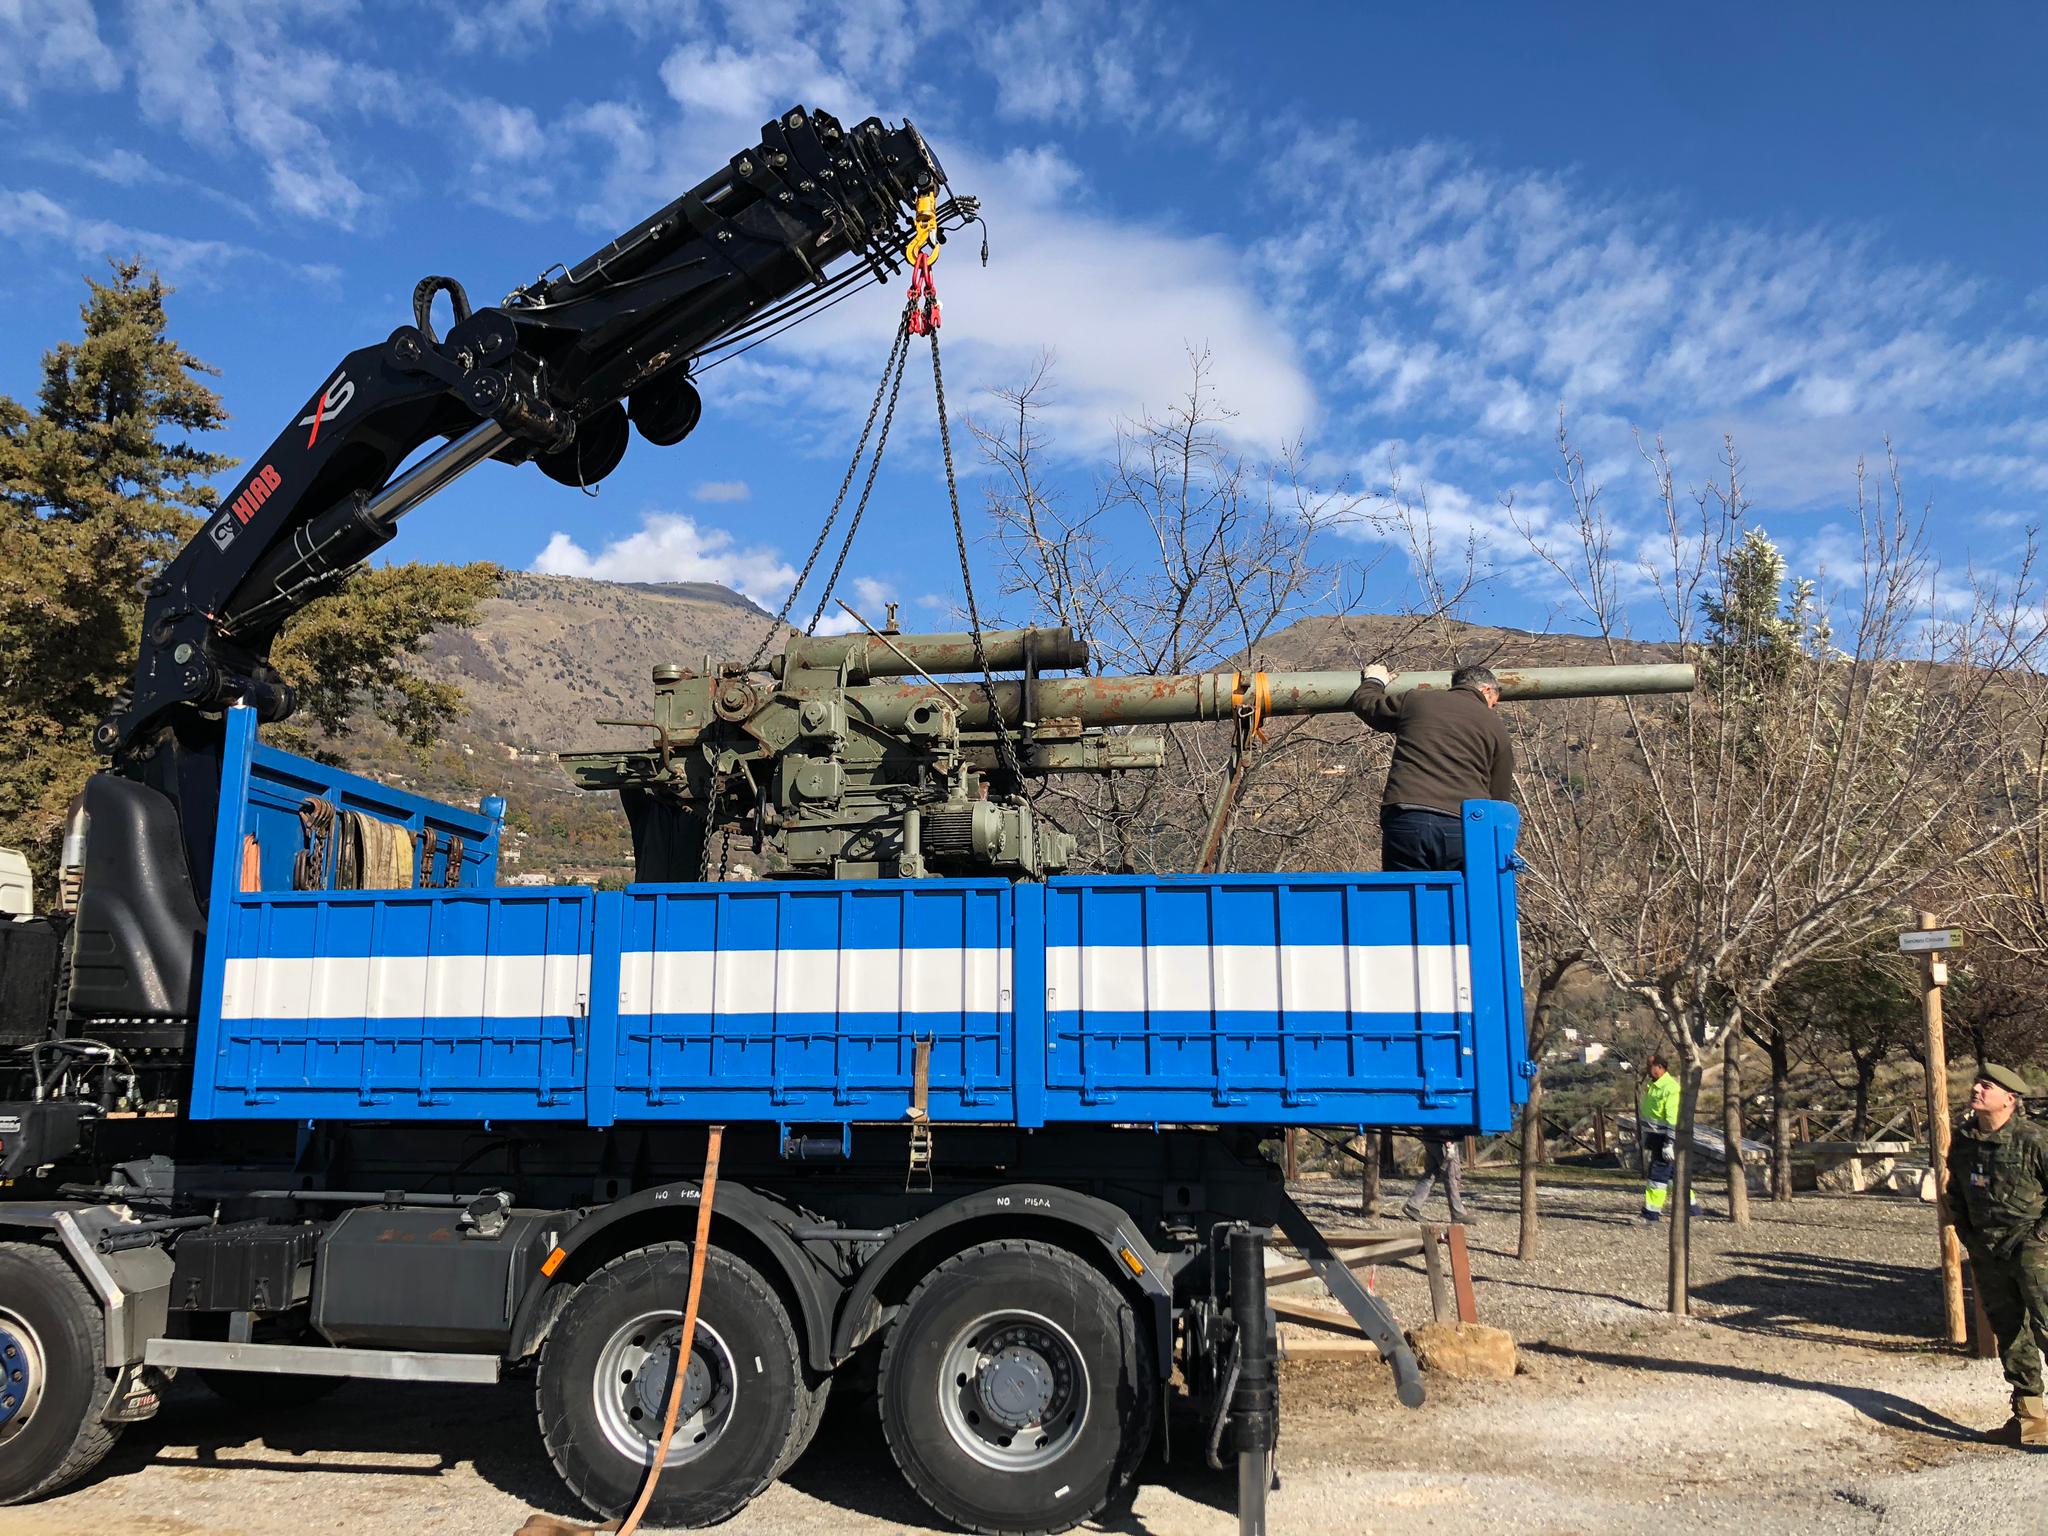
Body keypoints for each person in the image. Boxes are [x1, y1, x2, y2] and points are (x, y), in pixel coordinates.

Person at [1946, 1063, 2048, 1449]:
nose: (1976, 1089)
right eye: (1977, 1083)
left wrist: (2039, 1238)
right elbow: (1954, 1190)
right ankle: (2031, 1419)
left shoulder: (2033, 1139)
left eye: (1986, 1086)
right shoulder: (1965, 1140)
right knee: (2010, 1332)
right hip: (1987, 1250)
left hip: (2032, 1249)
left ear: (2009, 1098)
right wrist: (1968, 1234)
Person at [1349, 663, 1513, 873]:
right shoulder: (1497, 727)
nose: (1491, 708)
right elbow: (1499, 797)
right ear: (1486, 690)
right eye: (1493, 703)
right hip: (1463, 824)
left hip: (1407, 816)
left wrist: (1374, 681)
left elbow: (1367, 704)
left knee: (1407, 898)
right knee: (1459, 901)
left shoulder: (1417, 700)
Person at [1637, 1056, 1698, 1222]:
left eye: (1650, 1066)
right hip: (1655, 1137)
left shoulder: (1670, 1088)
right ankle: (1691, 1207)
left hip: (1665, 1139)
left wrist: (1669, 1143)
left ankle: (1651, 1213)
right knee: (1673, 1176)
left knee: (1657, 1176)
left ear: (1660, 1067)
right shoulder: (1653, 1086)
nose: (1647, 1068)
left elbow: (1673, 1118)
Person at [1399, 1132, 1474, 1225]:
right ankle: (1458, 1213)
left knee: (1432, 1173)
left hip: (1430, 1135)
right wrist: (1448, 1137)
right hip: (1442, 1138)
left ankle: (1412, 1205)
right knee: (1451, 1175)